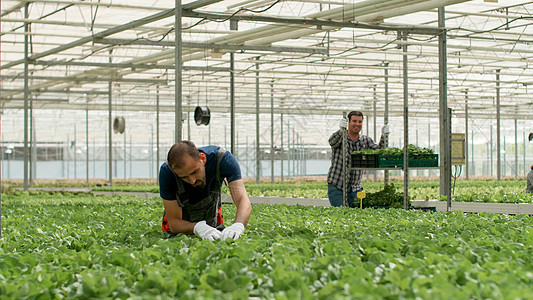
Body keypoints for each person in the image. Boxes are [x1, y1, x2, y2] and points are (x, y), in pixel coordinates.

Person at [159, 141, 252, 241]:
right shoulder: (167, 172)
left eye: (194, 172)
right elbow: (174, 223)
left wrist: (238, 225)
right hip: (181, 230)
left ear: (202, 158)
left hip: (212, 221)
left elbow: (242, 200)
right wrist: (197, 227)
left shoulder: (222, 158)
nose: (192, 181)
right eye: (184, 177)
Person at [327, 111, 390, 207]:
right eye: (354, 121)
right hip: (337, 186)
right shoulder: (341, 137)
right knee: (342, 216)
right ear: (348, 123)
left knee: (358, 216)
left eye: (360, 122)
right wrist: (341, 131)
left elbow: (379, 152)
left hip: (356, 188)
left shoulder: (365, 140)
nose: (357, 124)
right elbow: (332, 142)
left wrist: (384, 136)